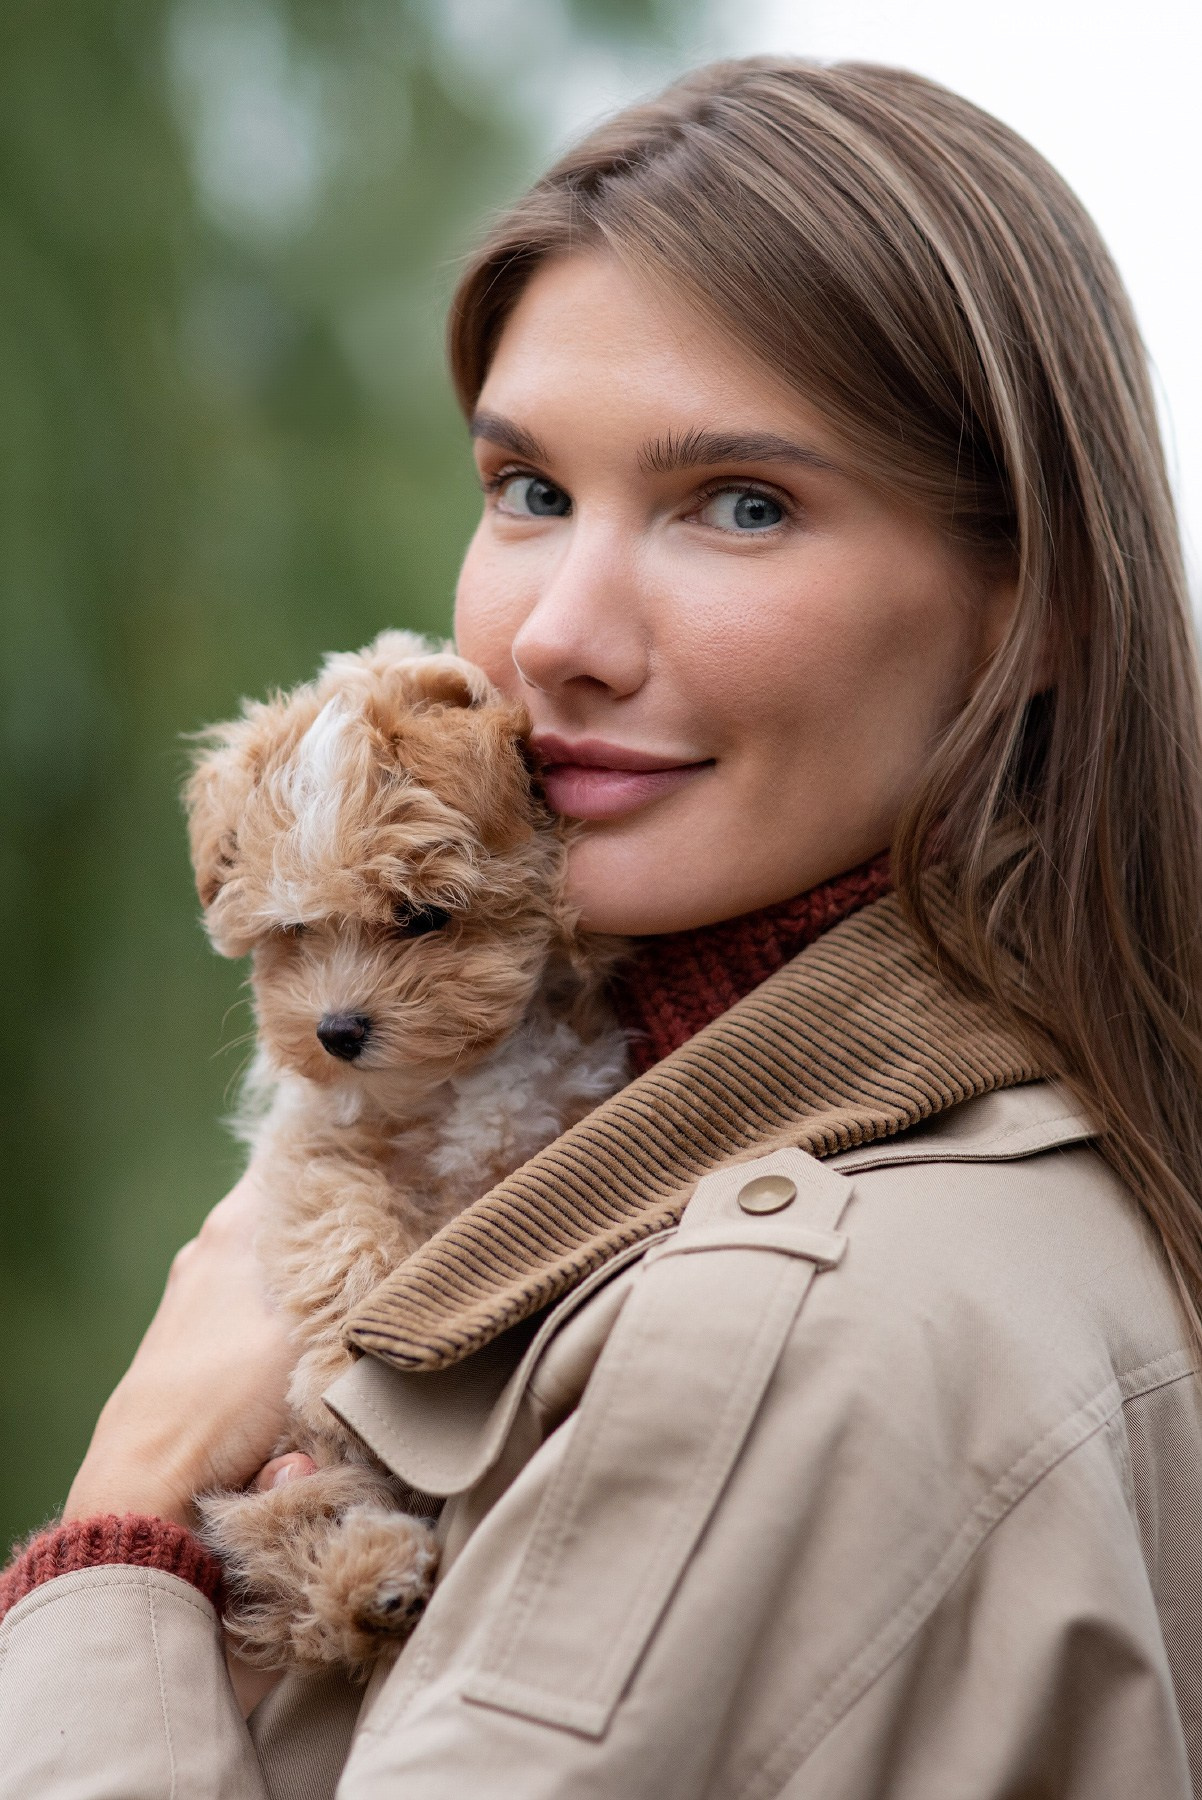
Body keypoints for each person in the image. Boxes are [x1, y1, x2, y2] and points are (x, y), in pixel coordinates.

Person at [3, 55, 1201, 1798]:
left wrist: (121, 1526)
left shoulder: (785, 1321)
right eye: (528, 490)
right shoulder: (1048, 1163)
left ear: (1034, 604)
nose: (556, 632)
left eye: (741, 505)